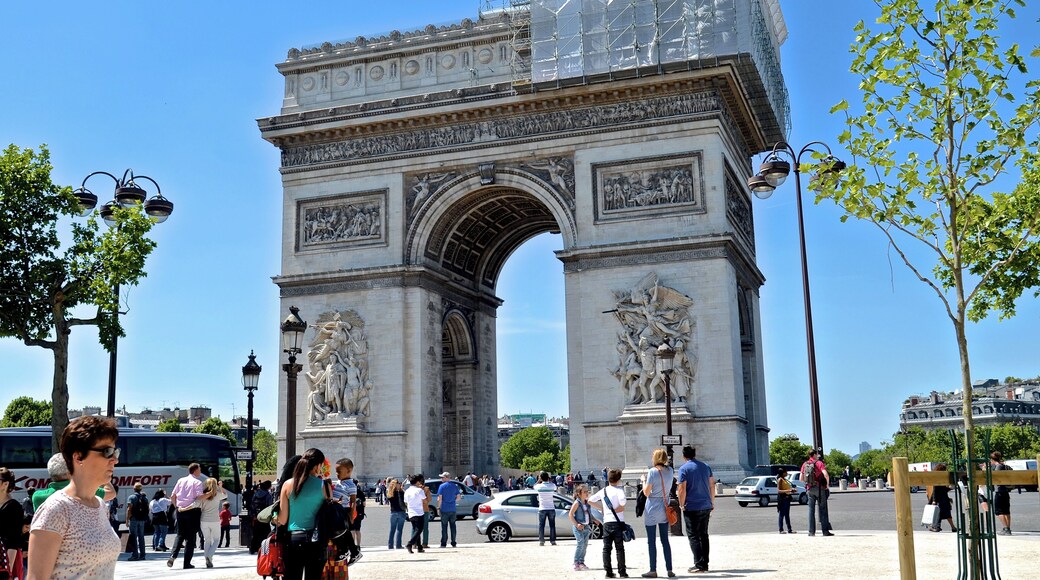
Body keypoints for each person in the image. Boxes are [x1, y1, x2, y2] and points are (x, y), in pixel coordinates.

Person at [28, 416, 122, 579]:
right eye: (107, 452)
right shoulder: (57, 509)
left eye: (115, 451)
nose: (115, 459)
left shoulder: (100, 505)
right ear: (78, 457)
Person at [274, 448, 328, 580]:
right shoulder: (323, 485)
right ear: (318, 465)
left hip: (294, 539)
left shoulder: (287, 484)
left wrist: (275, 517)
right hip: (317, 540)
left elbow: (283, 519)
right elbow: (327, 515)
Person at [677, 445, 714, 574]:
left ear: (683, 456)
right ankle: (705, 563)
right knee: (704, 535)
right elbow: (711, 486)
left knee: (693, 535)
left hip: (691, 506)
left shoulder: (683, 469)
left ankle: (698, 564)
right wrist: (712, 502)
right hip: (706, 505)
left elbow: (682, 489)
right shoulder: (706, 466)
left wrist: (681, 504)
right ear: (695, 454)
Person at [642, 449, 675, 578]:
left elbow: (646, 492)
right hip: (664, 506)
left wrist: (643, 480)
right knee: (665, 540)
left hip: (652, 507)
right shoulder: (670, 471)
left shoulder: (652, 472)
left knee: (651, 541)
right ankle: (669, 569)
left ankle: (653, 569)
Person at [167, 462, 206, 569]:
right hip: (192, 511)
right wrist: (209, 494)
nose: (201, 471)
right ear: (195, 470)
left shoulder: (180, 480)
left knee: (180, 535)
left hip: (180, 510)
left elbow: (172, 496)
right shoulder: (197, 482)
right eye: (199, 469)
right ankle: (186, 563)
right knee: (190, 538)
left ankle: (173, 555)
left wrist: (177, 507)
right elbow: (199, 497)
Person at [589, 468, 627, 578]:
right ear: (618, 479)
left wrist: (602, 509)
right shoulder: (619, 491)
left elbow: (591, 500)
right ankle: (622, 572)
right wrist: (616, 509)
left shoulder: (603, 491)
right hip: (617, 522)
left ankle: (608, 572)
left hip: (606, 522)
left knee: (606, 548)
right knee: (619, 548)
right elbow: (622, 504)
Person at [331, 458, 362, 563]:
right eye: (336, 471)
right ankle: (353, 551)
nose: (336, 474)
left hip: (343, 510)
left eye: (339, 471)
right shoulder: (339, 482)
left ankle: (345, 550)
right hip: (337, 509)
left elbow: (353, 501)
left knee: (340, 532)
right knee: (344, 533)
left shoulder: (351, 485)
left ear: (349, 471)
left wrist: (351, 515)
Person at [0, 468, 26, 578]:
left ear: (5, 484)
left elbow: (13, 541)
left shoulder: (13, 507)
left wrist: (7, 570)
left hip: (8, 558)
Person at [802, 449, 832, 537]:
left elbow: (801, 478)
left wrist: (809, 482)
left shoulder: (805, 464)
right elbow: (826, 474)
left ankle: (811, 532)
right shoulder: (819, 463)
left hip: (810, 489)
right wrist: (827, 485)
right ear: (814, 454)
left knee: (811, 510)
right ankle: (825, 531)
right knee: (823, 509)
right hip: (820, 488)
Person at [568, 483, 597, 571]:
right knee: (580, 544)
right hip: (578, 527)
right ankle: (576, 562)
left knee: (584, 545)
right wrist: (577, 524)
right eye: (584, 492)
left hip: (586, 526)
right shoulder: (577, 503)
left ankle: (581, 562)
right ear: (579, 493)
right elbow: (570, 514)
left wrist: (595, 519)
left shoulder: (587, 503)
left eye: (587, 491)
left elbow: (588, 514)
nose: (587, 493)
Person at [199, 478, 226, 568]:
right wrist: (220, 487)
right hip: (214, 520)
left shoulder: (202, 495)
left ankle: (207, 558)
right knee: (217, 539)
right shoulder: (217, 495)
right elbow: (225, 495)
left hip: (203, 519)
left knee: (207, 540)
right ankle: (209, 556)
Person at [985, 451, 1013, 535]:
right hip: (1005, 491)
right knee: (1006, 511)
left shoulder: (998, 467)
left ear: (992, 459)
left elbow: (994, 479)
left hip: (999, 491)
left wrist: (987, 470)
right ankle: (1008, 528)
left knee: (999, 511)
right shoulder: (1004, 466)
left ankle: (1005, 528)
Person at [927, 464, 956, 533]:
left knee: (943, 513)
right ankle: (937, 526)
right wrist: (934, 500)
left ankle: (951, 527)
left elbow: (941, 489)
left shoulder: (939, 478)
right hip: (940, 498)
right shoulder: (938, 478)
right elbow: (935, 489)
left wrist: (949, 488)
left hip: (942, 498)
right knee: (941, 513)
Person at [125, 482, 151, 561]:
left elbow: (129, 509)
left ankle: (135, 555)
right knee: (141, 537)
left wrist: (127, 519)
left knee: (133, 537)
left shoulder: (131, 497)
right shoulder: (145, 498)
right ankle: (142, 555)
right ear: (141, 489)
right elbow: (148, 509)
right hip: (142, 519)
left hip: (134, 519)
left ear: (134, 489)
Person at [436, 471, 461, 548]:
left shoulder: (442, 486)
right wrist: (453, 501)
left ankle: (444, 542)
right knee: (453, 526)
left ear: (446, 477)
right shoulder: (454, 486)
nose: (441, 479)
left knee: (444, 527)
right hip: (452, 509)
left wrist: (438, 507)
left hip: (444, 508)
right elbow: (459, 497)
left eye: (442, 477)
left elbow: (440, 498)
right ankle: (453, 542)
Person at [249, 480, 274, 554]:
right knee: (265, 532)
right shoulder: (268, 495)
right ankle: (263, 548)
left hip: (256, 516)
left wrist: (253, 515)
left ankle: (253, 548)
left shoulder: (256, 494)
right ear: (268, 486)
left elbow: (252, 505)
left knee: (256, 533)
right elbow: (270, 506)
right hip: (264, 516)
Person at [403, 475, 427, 553]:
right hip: (419, 512)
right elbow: (424, 500)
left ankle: (419, 547)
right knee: (419, 529)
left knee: (416, 529)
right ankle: (410, 544)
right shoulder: (419, 490)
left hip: (411, 512)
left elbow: (406, 501)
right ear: (417, 482)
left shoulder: (407, 491)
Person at [534, 471, 558, 546]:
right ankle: (553, 540)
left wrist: (538, 480)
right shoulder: (552, 486)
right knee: (552, 525)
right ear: (548, 478)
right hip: (551, 507)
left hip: (542, 508)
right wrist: (549, 480)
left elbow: (534, 486)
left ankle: (541, 540)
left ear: (541, 478)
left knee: (541, 525)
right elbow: (555, 487)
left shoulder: (539, 486)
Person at [387, 478, 406, 549]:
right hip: (401, 512)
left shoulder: (390, 494)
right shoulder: (401, 493)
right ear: (396, 485)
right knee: (399, 529)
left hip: (393, 512)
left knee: (392, 530)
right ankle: (398, 545)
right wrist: (401, 489)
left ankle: (390, 545)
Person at [776, 468, 795, 534]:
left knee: (787, 514)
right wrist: (788, 490)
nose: (787, 473)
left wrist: (792, 490)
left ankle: (789, 529)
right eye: (786, 472)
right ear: (783, 473)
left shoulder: (785, 479)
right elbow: (779, 491)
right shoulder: (780, 480)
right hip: (782, 499)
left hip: (787, 498)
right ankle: (781, 529)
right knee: (782, 514)